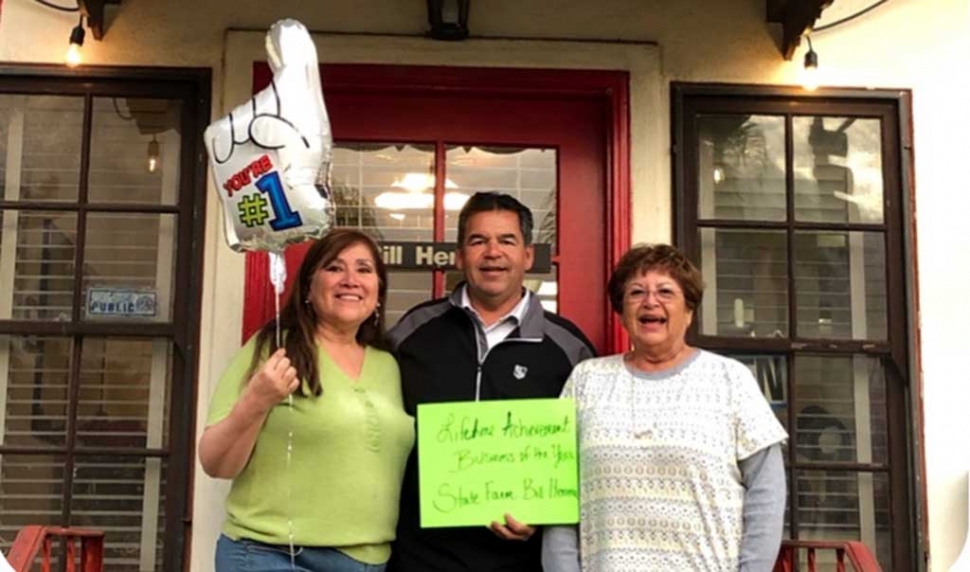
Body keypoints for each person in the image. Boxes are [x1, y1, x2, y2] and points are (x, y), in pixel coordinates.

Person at [542, 244, 788, 572]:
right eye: (636, 292)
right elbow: (560, 496)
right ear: (620, 312)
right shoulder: (586, 380)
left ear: (688, 310)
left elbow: (767, 492)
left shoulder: (730, 378)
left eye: (665, 292)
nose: (650, 301)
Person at [386, 192, 595, 572]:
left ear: (528, 255)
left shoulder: (570, 348)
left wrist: (546, 513)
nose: (492, 252)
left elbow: (590, 454)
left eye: (507, 240)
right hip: (419, 558)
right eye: (478, 241)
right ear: (460, 255)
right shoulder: (412, 333)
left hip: (523, 562)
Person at [199, 229, 415, 572]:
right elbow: (215, 462)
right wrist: (257, 398)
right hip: (272, 555)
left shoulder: (389, 365)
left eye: (364, 269)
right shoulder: (273, 349)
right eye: (334, 268)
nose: (350, 280)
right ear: (309, 288)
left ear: (378, 292)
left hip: (370, 561)